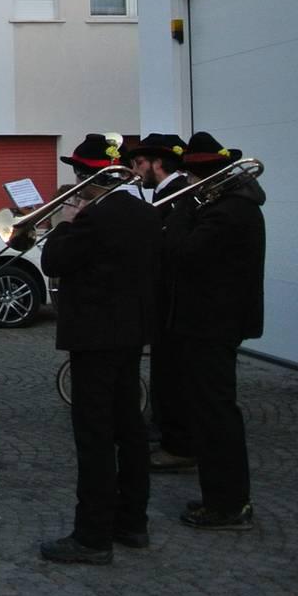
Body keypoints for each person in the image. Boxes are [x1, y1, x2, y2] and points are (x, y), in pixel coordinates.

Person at [36, 134, 159, 564]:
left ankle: (92, 535)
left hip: (93, 337)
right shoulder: (144, 212)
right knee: (130, 430)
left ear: (91, 176)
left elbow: (54, 262)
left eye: (78, 175)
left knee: (94, 436)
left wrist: (65, 221)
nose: (75, 183)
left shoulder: (94, 217)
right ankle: (132, 523)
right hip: (130, 334)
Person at [163, 132, 265, 531]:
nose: (186, 183)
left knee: (215, 413)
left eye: (189, 176)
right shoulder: (232, 207)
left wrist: (185, 206)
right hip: (211, 322)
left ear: (200, 175)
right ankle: (222, 497)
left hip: (211, 324)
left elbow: (183, 252)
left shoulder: (227, 212)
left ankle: (227, 503)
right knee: (211, 410)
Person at [126, 133, 194, 472]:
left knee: (173, 372)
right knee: (165, 369)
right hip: (165, 300)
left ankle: (177, 439)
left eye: (139, 163)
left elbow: (167, 250)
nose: (136, 171)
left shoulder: (178, 196)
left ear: (157, 163)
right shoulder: (166, 194)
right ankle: (166, 428)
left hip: (173, 301)